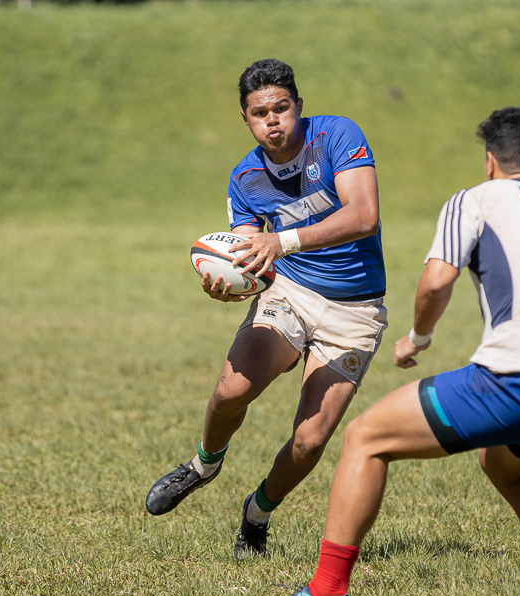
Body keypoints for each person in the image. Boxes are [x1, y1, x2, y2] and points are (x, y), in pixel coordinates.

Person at [242, 107, 520, 596]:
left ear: (490, 162)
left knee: (365, 438)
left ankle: (325, 594)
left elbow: (437, 281)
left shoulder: (475, 199)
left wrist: (418, 337)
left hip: (519, 375)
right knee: (507, 468)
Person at [145, 59, 388, 560]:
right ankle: (203, 465)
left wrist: (282, 241)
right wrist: (229, 281)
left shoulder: (337, 136)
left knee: (309, 442)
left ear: (299, 106)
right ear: (246, 119)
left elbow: (363, 216)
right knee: (232, 387)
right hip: (290, 292)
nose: (273, 119)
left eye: (281, 107)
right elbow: (251, 254)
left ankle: (257, 513)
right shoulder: (245, 178)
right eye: (260, 113)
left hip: (355, 310)